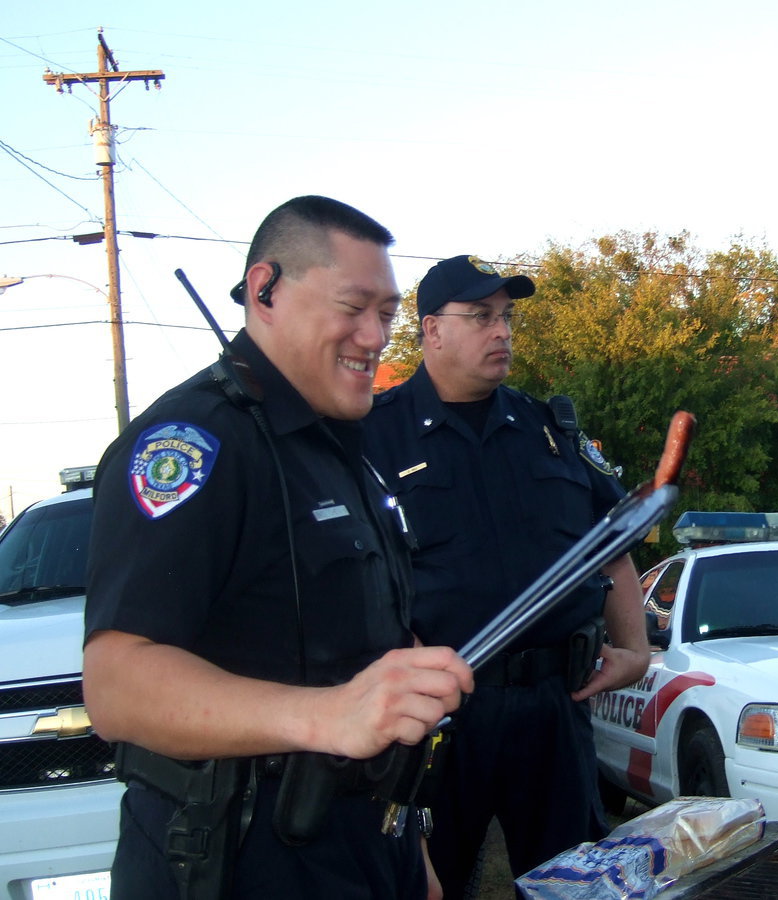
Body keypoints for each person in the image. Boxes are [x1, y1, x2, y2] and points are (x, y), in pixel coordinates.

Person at [83, 196, 474, 899]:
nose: (375, 334)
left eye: (387, 313)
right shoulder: (195, 444)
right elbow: (116, 685)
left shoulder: (341, 452)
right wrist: (328, 716)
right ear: (265, 289)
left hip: (358, 847)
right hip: (234, 862)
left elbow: (366, 657)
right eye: (353, 306)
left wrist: (408, 847)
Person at [362, 254, 651, 896]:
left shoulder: (548, 430)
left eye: (507, 317)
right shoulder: (374, 437)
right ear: (432, 330)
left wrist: (633, 647)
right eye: (482, 317)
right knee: (420, 882)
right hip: (440, 718)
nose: (503, 332)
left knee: (575, 884)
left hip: (555, 707)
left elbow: (615, 540)